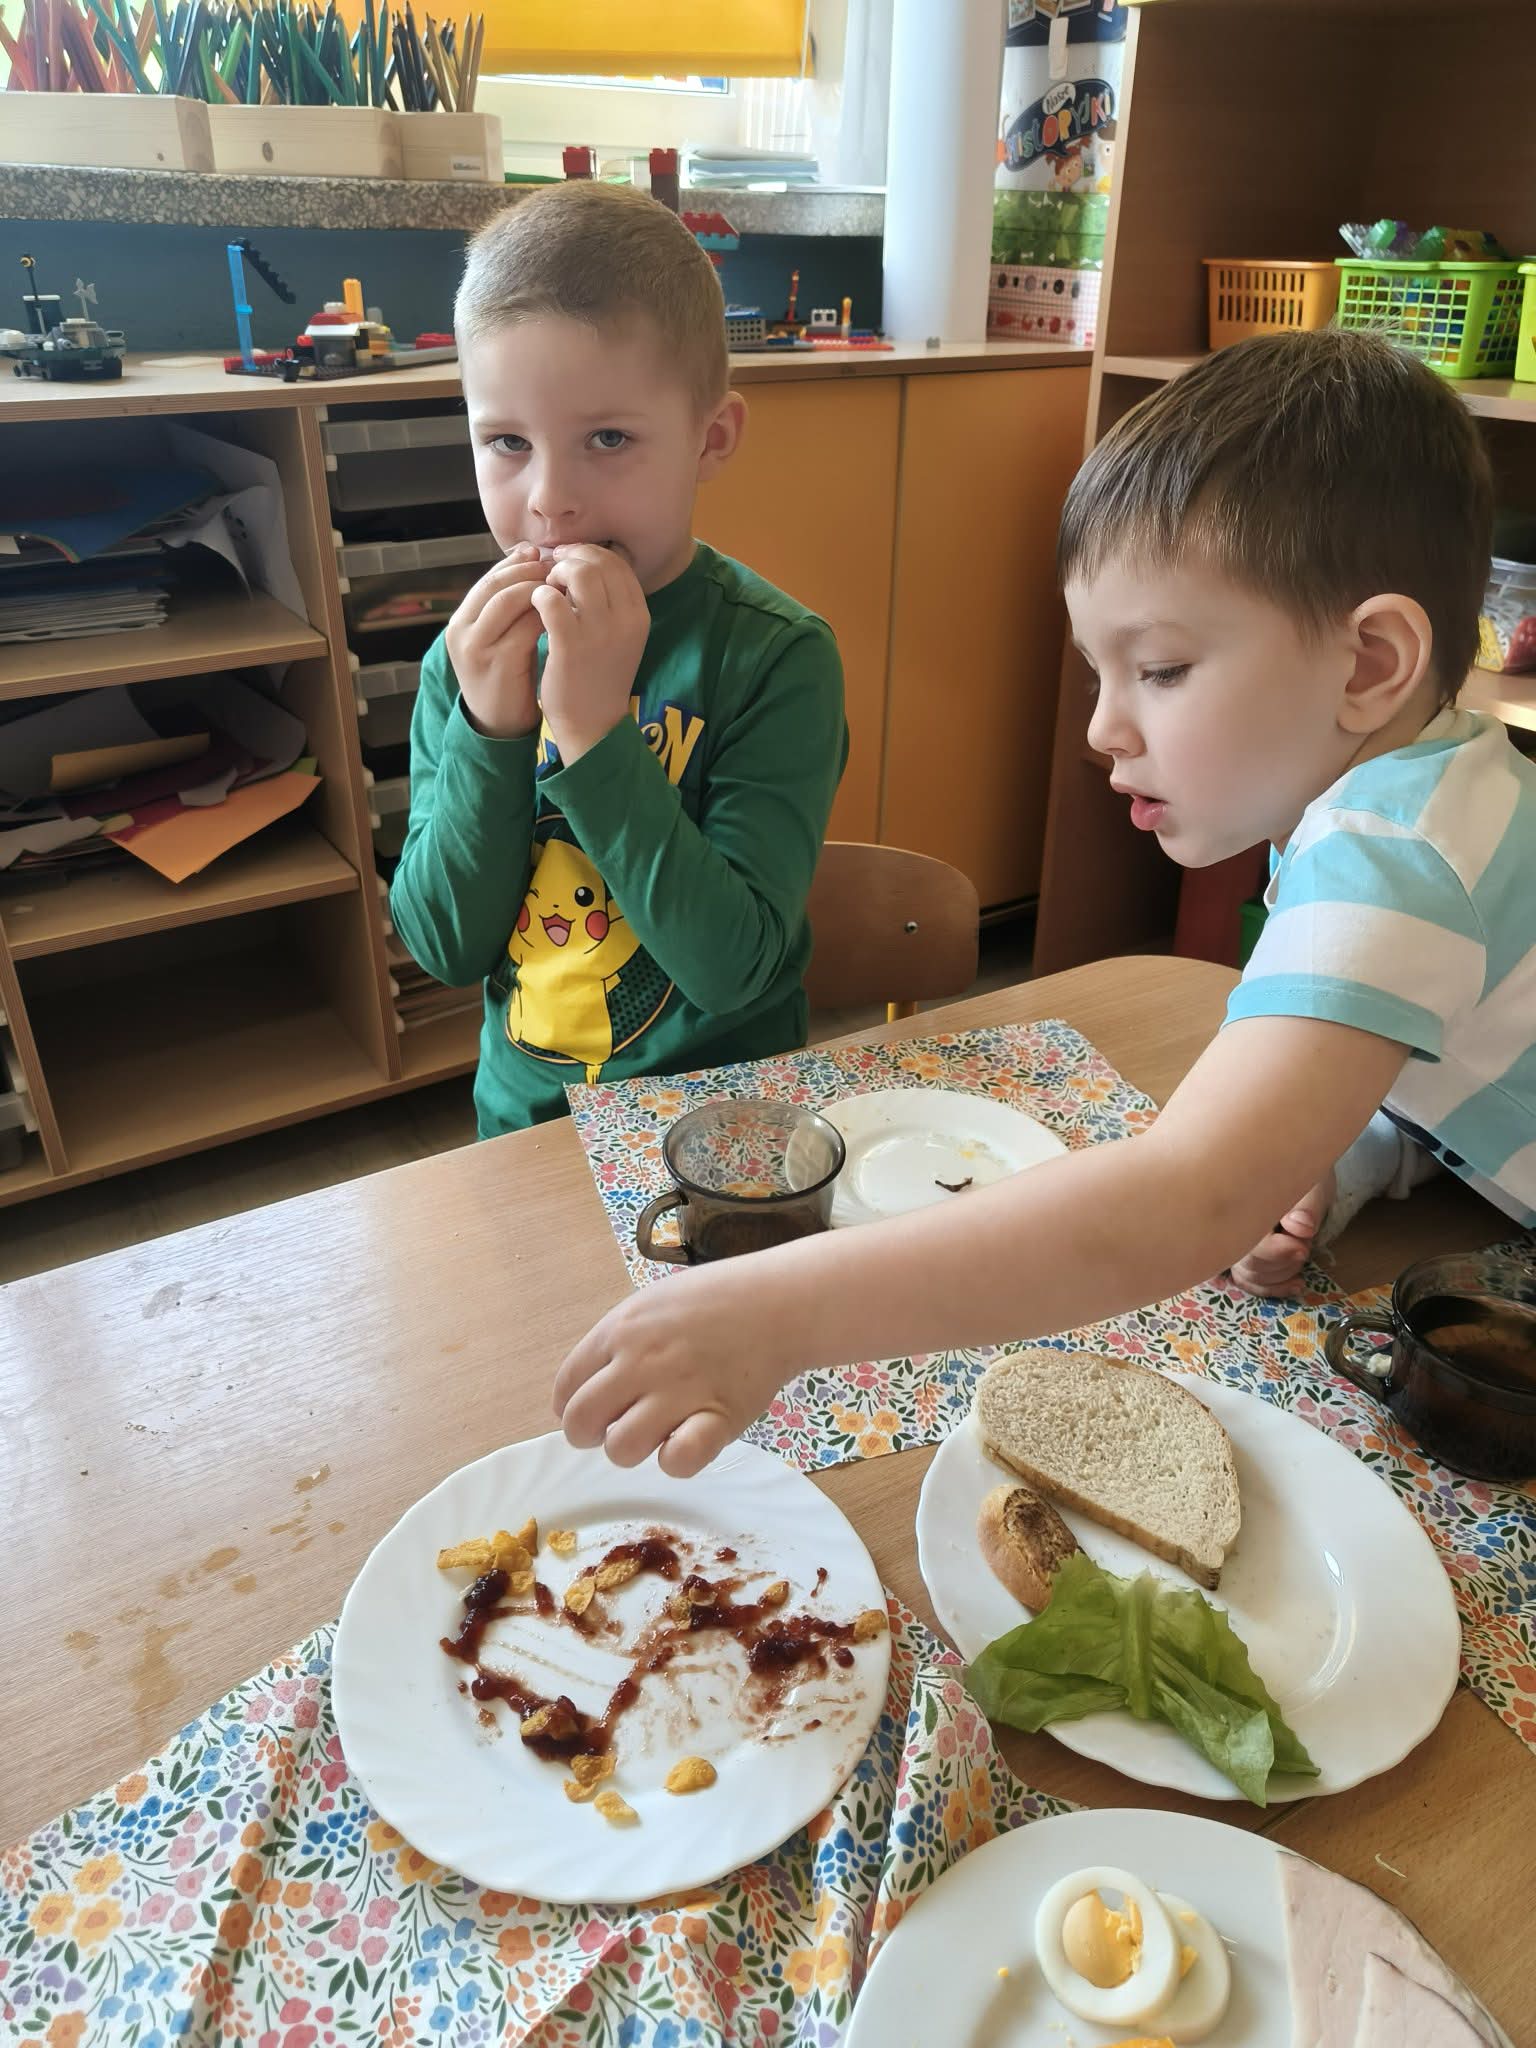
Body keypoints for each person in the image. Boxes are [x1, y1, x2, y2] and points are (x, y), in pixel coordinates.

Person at [553, 328, 1535, 1476]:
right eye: (1100, 672)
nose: (1104, 728)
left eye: (1160, 669)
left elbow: (1183, 1198)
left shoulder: (1390, 855)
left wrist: (774, 1309)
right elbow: (1467, 1046)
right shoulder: (1429, 798)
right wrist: (1343, 1145)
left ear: (1370, 664)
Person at [390, 183, 846, 1135]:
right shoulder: (469, 662)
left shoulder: (776, 658)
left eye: (608, 439)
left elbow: (732, 971)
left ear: (710, 438)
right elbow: (442, 947)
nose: (549, 499)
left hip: (725, 1131)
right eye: (506, 442)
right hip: (526, 1132)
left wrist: (594, 732)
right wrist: (491, 729)